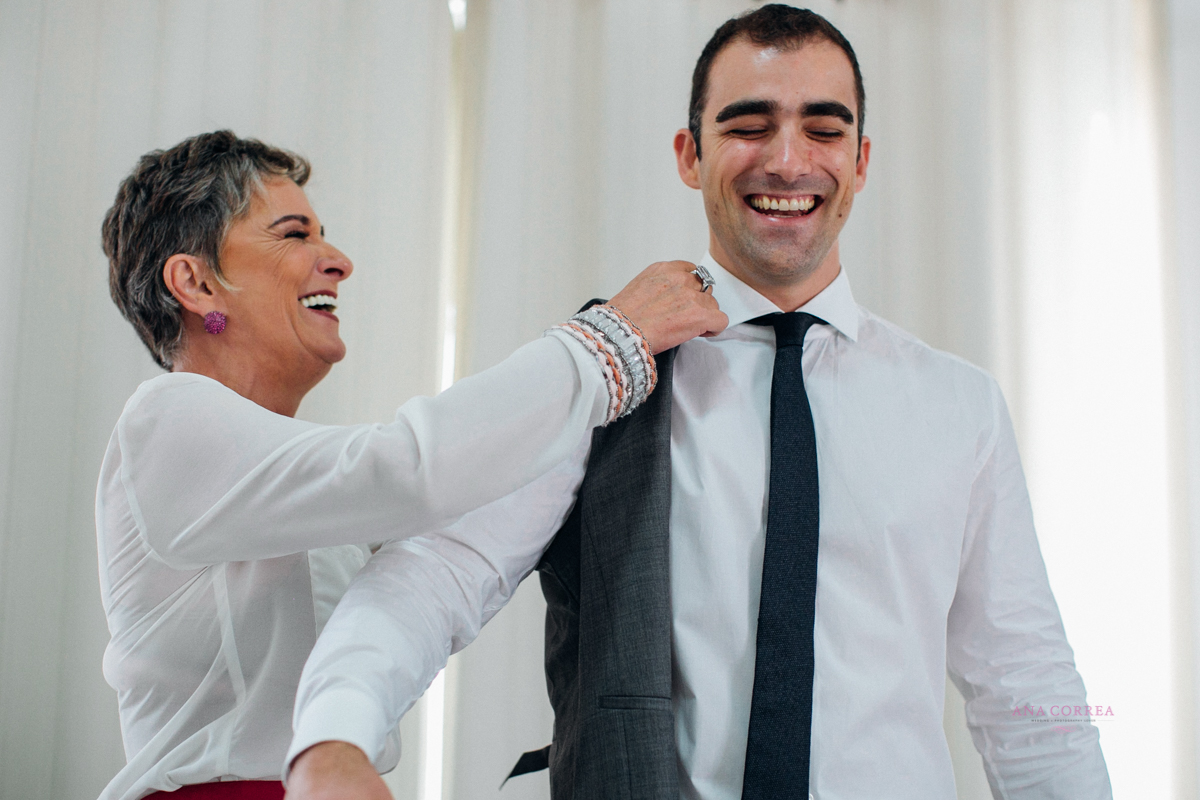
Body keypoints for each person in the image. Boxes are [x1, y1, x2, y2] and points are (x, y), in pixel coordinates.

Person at [284, 6, 1113, 800]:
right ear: (689, 153)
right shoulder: (604, 371)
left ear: (861, 161)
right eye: (748, 125)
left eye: (824, 129)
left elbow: (1026, 685)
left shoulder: (957, 406)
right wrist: (334, 737)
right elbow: (440, 571)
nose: (788, 160)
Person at [95, 130, 725, 800]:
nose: (337, 261)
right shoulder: (162, 421)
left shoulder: (299, 484)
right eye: (293, 234)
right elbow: (411, 469)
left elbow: (441, 541)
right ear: (194, 282)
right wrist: (610, 339)